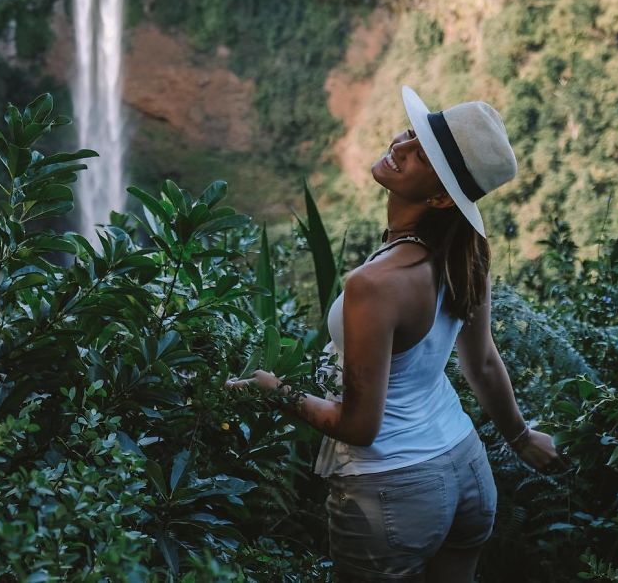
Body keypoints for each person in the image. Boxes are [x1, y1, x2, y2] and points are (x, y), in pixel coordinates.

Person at [225, 85, 570, 582]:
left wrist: (272, 390)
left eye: (423, 155)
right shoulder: (466, 254)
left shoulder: (375, 285)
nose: (401, 146)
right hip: (466, 467)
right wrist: (520, 436)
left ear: (439, 197)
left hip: (391, 489)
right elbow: (481, 362)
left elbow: (359, 427)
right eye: (412, 133)